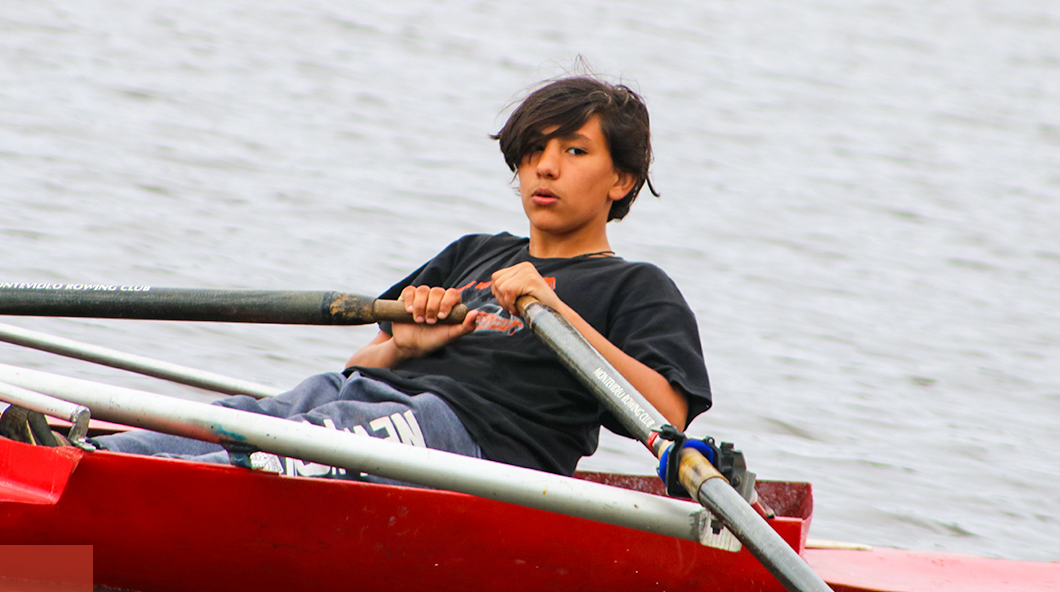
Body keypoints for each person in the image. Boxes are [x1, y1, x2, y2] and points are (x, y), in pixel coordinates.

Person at [95, 73, 711, 478]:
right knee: (249, 417)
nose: (546, 168)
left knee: (305, 445)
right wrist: (405, 347)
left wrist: (556, 313)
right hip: (372, 399)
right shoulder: (475, 251)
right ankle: (86, 456)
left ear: (621, 180)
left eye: (574, 151)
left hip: (470, 438)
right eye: (534, 151)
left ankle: (119, 489)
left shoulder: (636, 287)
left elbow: (667, 415)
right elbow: (361, 364)